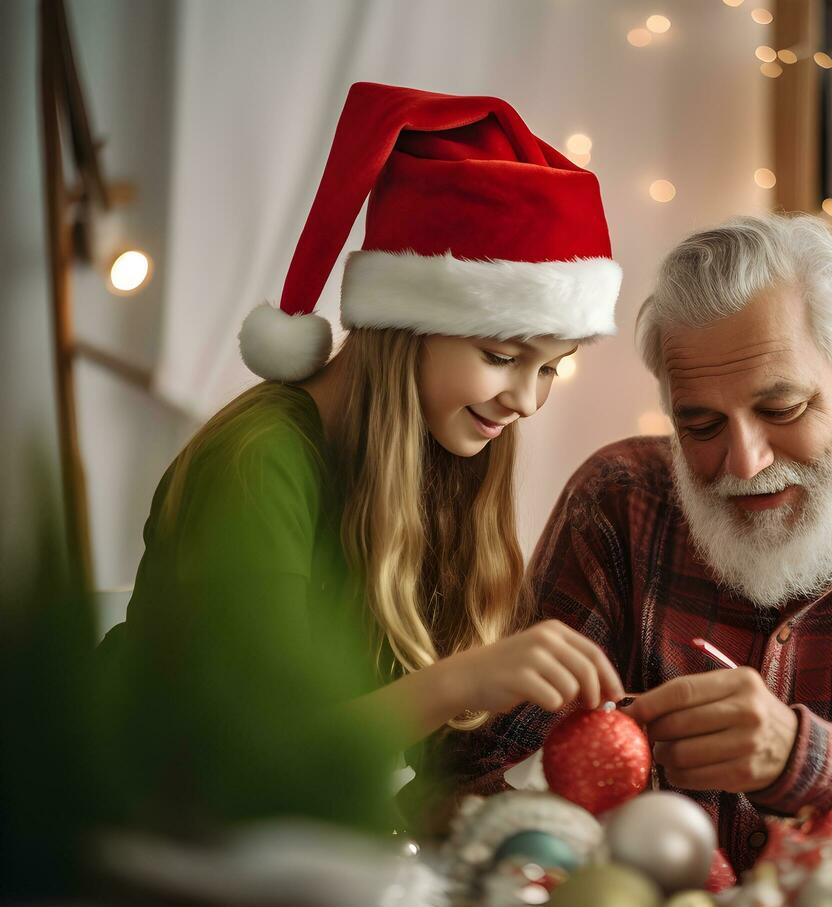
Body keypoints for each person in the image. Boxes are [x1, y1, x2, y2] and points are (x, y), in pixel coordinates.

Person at [445, 213, 832, 870]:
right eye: (702, 425)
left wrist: (804, 760)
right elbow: (483, 770)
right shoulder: (617, 504)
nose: (743, 463)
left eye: (781, 409)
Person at [99, 82, 626, 826]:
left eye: (551, 367)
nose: (527, 400)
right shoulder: (258, 463)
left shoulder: (444, 453)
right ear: (405, 325)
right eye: (502, 355)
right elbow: (250, 766)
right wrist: (457, 683)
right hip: (150, 839)